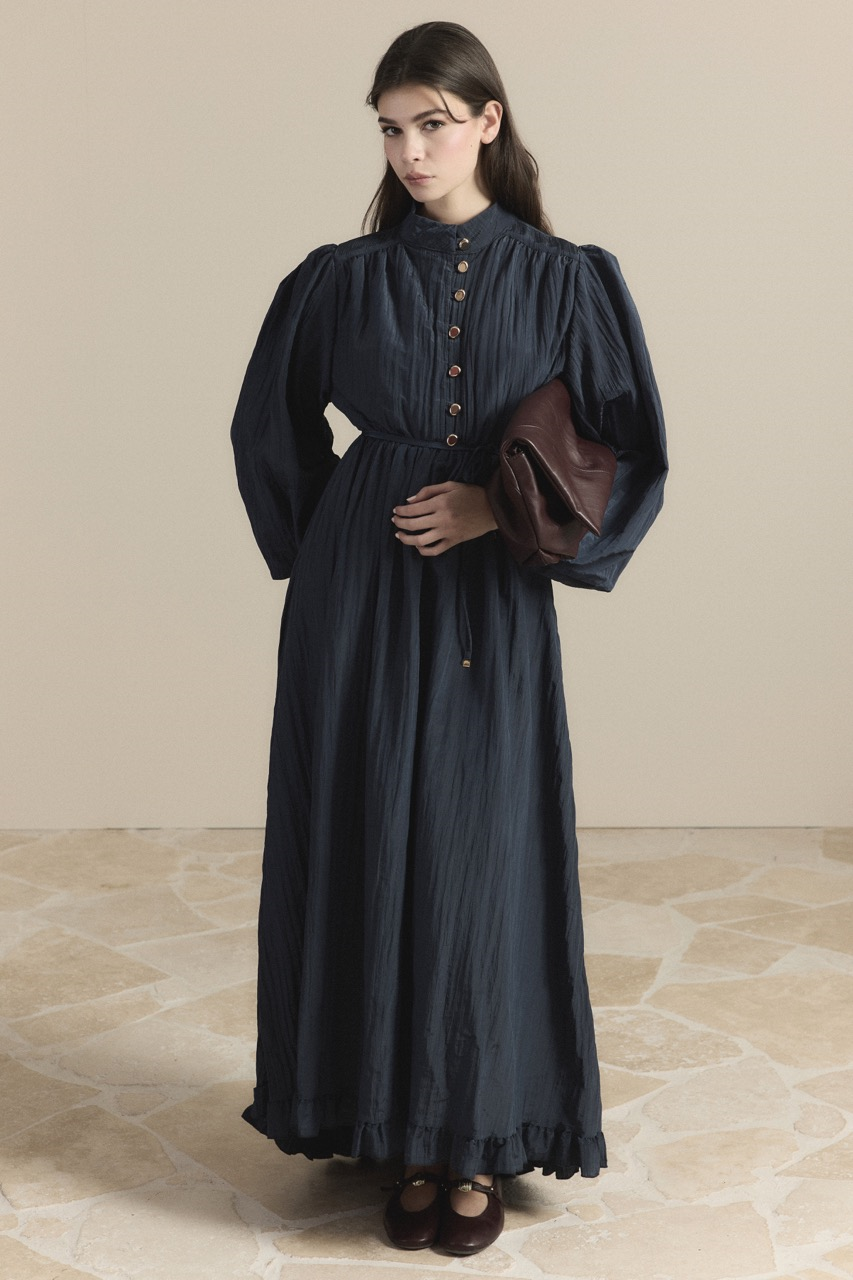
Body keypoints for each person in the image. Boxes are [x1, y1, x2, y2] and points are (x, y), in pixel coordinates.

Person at [230, 20, 667, 1258]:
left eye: (431, 123)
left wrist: (495, 511)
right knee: (365, 827)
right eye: (390, 129)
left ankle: (472, 1132)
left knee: (479, 853)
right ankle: (392, 1126)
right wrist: (332, 538)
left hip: (488, 596)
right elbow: (266, 422)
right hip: (358, 598)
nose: (410, 151)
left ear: (486, 120)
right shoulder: (339, 277)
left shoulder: (567, 277)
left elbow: (629, 446)